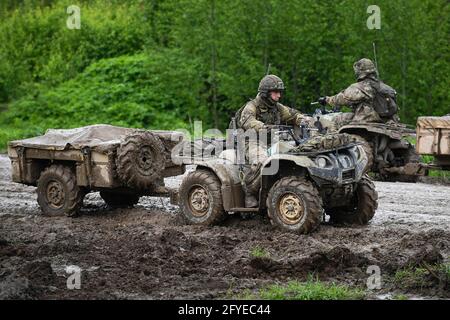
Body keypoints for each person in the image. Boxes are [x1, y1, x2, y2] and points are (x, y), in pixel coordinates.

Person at [233, 74, 310, 207]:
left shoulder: (277, 107)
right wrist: (263, 127)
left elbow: (292, 115)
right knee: (262, 161)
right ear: (265, 93)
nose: (279, 95)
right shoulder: (252, 106)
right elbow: (248, 121)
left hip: (273, 141)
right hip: (253, 141)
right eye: (275, 92)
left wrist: (304, 119)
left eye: (279, 92)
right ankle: (249, 191)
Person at [318, 58, 399, 129]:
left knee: (334, 119)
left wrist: (327, 99)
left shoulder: (359, 87)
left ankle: (333, 143)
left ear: (359, 72)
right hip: (387, 122)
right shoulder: (387, 88)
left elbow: (341, 99)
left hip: (366, 121)